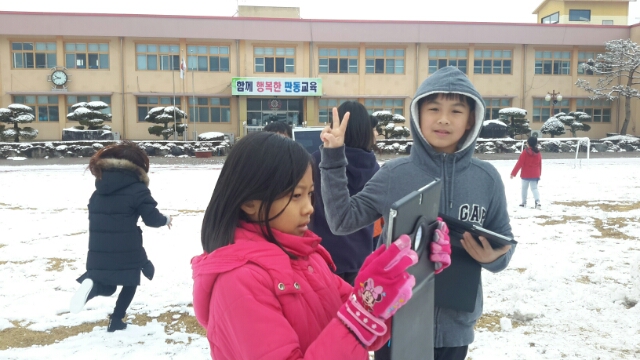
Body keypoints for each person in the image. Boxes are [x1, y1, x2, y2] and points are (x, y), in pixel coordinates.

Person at [319, 66, 515, 360]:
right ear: (418, 115)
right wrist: (334, 159)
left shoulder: (486, 179)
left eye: (456, 111)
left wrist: (495, 257)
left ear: (472, 118)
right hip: (395, 324)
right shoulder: (395, 174)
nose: (444, 118)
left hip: (455, 330)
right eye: (433, 108)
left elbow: (505, 242)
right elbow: (342, 221)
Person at [191, 131, 418, 360]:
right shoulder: (240, 281)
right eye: (296, 195)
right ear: (250, 202)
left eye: (310, 194)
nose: (309, 207)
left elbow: (362, 327)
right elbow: (354, 322)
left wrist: (403, 278)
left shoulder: (306, 258)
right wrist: (358, 317)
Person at [69, 141, 173, 332]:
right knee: (129, 282)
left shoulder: (98, 191)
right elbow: (151, 219)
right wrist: (166, 219)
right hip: (127, 247)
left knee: (107, 287)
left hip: (98, 247)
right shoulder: (138, 190)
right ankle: (116, 320)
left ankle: (92, 287)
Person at [310, 101, 380, 286]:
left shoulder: (318, 160)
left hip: (324, 254)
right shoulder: (373, 165)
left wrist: (326, 148)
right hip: (360, 254)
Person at [511, 136, 542, 209]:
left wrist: (513, 173)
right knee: (534, 189)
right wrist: (539, 173)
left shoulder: (525, 152)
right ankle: (537, 202)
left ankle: (523, 202)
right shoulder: (538, 153)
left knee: (524, 189)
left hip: (526, 174)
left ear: (528, 143)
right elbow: (540, 164)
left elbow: (519, 163)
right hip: (535, 174)